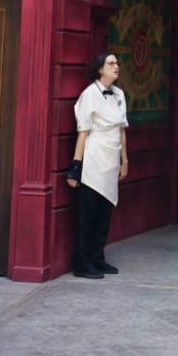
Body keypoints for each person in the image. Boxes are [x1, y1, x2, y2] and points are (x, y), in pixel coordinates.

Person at [65, 53, 128, 279]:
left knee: (104, 214)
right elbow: (83, 132)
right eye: (111, 63)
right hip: (93, 158)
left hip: (111, 160)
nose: (116, 66)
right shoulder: (89, 95)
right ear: (100, 69)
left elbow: (122, 130)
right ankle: (82, 264)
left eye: (117, 63)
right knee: (88, 216)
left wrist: (124, 161)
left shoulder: (119, 94)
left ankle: (97, 258)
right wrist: (75, 167)